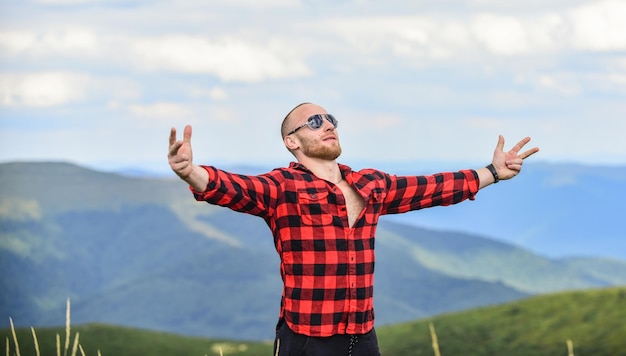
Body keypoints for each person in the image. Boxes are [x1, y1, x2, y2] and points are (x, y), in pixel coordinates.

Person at [168, 102, 539, 356]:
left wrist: (492, 173)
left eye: (330, 119)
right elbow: (233, 187)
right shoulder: (282, 188)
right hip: (306, 339)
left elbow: (433, 187)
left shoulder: (370, 184)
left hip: (362, 335)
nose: (327, 124)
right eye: (314, 122)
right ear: (292, 141)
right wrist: (190, 172)